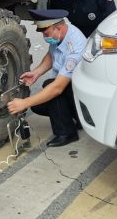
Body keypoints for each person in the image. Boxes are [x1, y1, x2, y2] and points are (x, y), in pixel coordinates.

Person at [7, 9, 86, 147]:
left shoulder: (75, 46)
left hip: (82, 94)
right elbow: (51, 55)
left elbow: (57, 88)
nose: (44, 37)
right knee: (38, 105)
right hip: (71, 89)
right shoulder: (61, 35)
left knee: (51, 88)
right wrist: (36, 73)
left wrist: (24, 103)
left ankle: (67, 132)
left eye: (46, 33)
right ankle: (76, 118)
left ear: (58, 28)